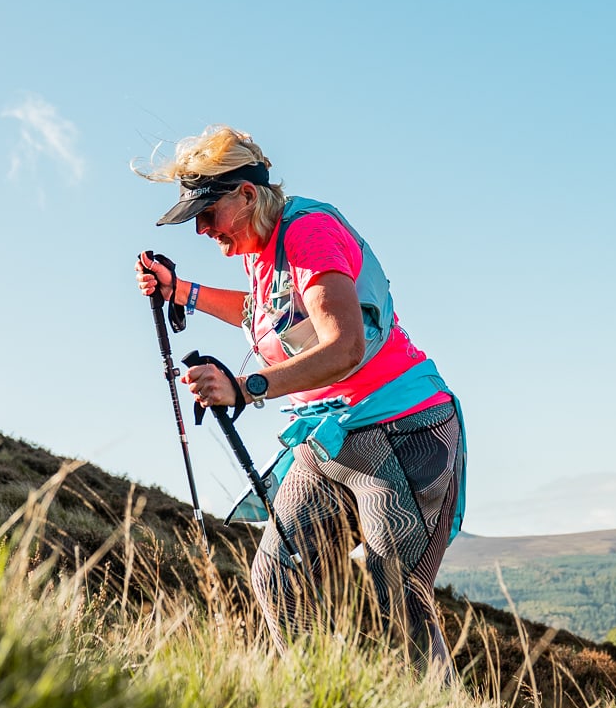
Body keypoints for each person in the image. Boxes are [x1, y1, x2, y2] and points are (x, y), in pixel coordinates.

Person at [133, 126, 464, 676]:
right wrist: (181, 291)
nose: (202, 229)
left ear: (245, 194)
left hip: (405, 429)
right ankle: (319, 702)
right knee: (277, 573)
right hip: (330, 434)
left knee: (396, 603)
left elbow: (345, 345)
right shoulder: (261, 248)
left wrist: (246, 388)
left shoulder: (308, 233)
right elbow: (265, 313)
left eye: (207, 212)